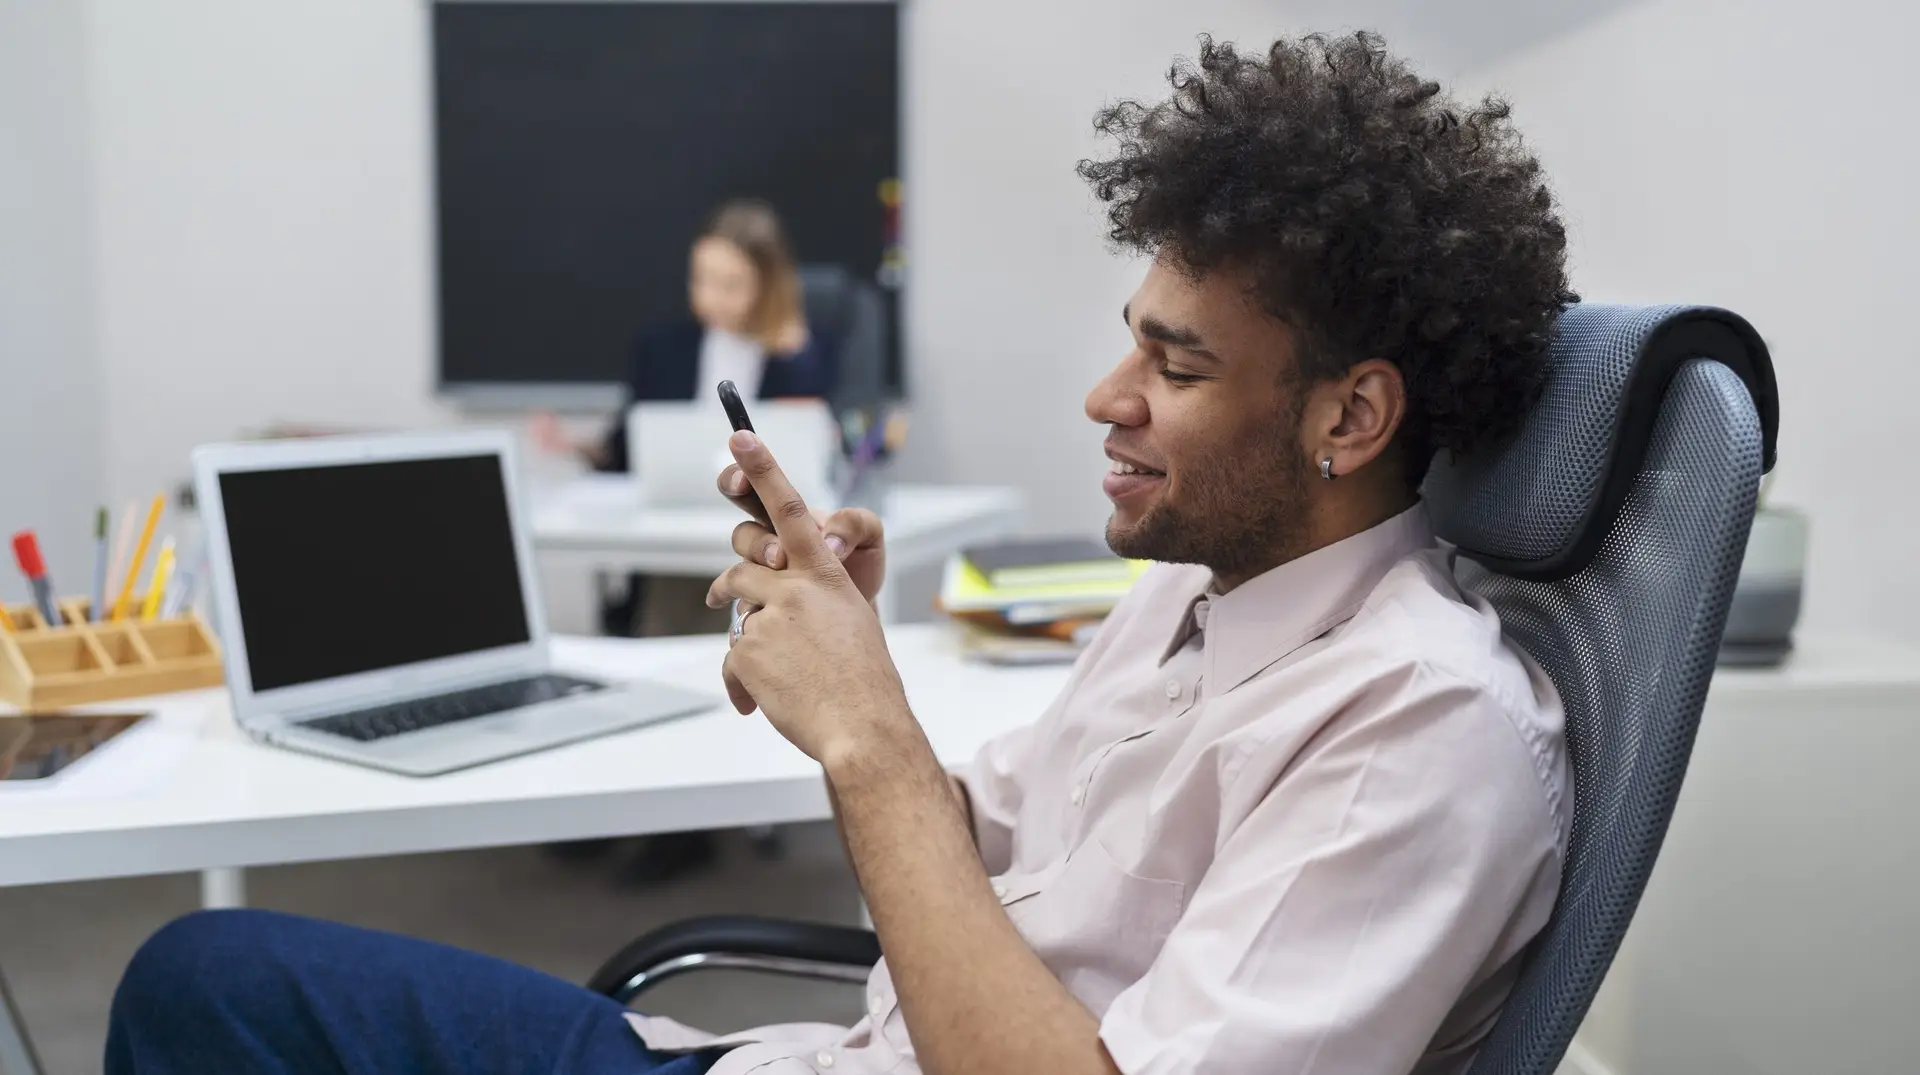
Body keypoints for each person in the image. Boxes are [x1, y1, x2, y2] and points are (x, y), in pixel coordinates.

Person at [106, 32, 1578, 1075]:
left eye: (1175, 368)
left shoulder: (1421, 731)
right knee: (212, 975)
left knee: (207, 991)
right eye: (1130, 340)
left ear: (1352, 414)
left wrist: (868, 739)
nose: (1106, 398)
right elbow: (970, 848)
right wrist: (852, 667)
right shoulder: (1198, 599)